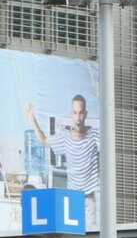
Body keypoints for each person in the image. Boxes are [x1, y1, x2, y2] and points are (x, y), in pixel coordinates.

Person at [26, 95, 100, 228]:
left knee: (90, 234)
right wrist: (32, 117)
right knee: (72, 234)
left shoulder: (93, 135)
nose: (78, 117)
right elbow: (44, 141)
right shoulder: (65, 137)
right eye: (75, 113)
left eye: (81, 113)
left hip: (89, 197)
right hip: (72, 197)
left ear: (85, 114)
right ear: (72, 114)